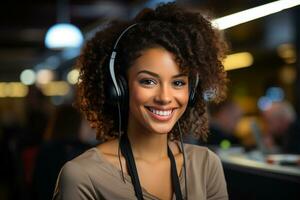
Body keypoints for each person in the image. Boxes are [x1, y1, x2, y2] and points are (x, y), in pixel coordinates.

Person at [53, 3, 228, 200]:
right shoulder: (82, 176)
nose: (164, 97)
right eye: (148, 81)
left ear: (193, 90)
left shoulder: (205, 165)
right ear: (119, 87)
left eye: (178, 82)